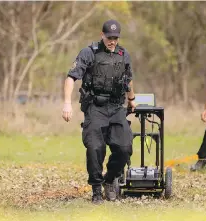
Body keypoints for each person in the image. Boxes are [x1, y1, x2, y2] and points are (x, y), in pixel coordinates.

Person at [62, 19, 136, 204]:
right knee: (95, 148)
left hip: (117, 107)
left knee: (125, 147)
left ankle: (110, 180)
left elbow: (128, 79)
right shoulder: (89, 53)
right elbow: (71, 77)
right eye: (109, 37)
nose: (112, 41)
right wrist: (66, 103)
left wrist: (132, 99)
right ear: (102, 35)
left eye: (116, 38)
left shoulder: (123, 54)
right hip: (96, 107)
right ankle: (96, 189)